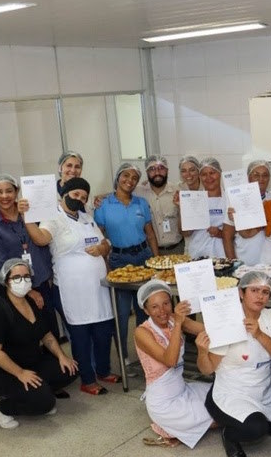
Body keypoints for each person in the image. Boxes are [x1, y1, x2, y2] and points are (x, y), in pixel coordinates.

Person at [21, 177, 117, 396]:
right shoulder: (53, 218)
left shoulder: (87, 218)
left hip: (98, 288)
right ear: (64, 194)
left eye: (83, 196)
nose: (79, 199)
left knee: (103, 332)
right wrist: (26, 218)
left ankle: (103, 371)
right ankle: (88, 379)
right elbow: (41, 239)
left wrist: (102, 249)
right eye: (75, 195)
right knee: (81, 335)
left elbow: (105, 242)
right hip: (72, 289)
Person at [196, 272, 271, 457]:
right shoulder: (228, 321)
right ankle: (229, 435)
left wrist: (259, 334)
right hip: (232, 393)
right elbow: (207, 368)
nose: (260, 297)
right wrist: (202, 352)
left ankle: (266, 419)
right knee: (257, 428)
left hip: (263, 390)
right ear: (240, 293)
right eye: (254, 291)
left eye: (265, 292)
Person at [0, 259, 78, 429]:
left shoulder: (32, 303)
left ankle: (38, 393)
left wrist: (62, 357)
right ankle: (2, 407)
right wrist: (20, 373)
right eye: (17, 277)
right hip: (8, 371)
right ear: (6, 281)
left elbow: (47, 336)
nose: (23, 280)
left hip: (33, 361)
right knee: (45, 403)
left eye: (27, 276)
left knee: (70, 369)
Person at [134, 280, 213, 448]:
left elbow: (206, 329)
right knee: (220, 414)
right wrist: (178, 323)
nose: (162, 311)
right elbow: (170, 360)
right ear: (145, 310)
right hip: (163, 402)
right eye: (154, 307)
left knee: (223, 397)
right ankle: (172, 427)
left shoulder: (172, 318)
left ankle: (179, 429)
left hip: (182, 389)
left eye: (166, 303)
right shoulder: (141, 332)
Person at [94, 163, 158, 368]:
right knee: (121, 312)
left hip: (143, 257)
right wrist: (106, 265)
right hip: (119, 260)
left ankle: (146, 352)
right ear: (118, 177)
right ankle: (123, 357)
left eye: (134, 178)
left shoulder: (141, 203)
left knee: (144, 309)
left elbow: (150, 233)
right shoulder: (103, 205)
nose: (129, 181)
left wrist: (156, 262)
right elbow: (100, 236)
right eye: (125, 176)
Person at [0, 174, 57, 336]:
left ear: (17, 192)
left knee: (51, 331)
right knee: (28, 337)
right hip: (16, 287)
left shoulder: (31, 211)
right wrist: (28, 291)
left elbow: (44, 242)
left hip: (43, 282)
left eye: (9, 191)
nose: (4, 196)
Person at [222, 161, 271, 264]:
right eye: (256, 175)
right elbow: (227, 236)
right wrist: (234, 263)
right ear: (248, 177)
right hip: (244, 260)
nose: (261, 179)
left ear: (269, 178)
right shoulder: (235, 200)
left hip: (270, 262)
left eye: (265, 175)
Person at [137, 155, 183, 255]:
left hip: (177, 250)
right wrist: (101, 199)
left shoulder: (178, 191)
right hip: (150, 252)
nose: (157, 172)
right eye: (152, 169)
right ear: (147, 172)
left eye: (161, 168)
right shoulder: (139, 192)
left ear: (167, 171)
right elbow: (121, 193)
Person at [183, 157, 226, 259]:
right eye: (204, 174)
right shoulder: (193, 200)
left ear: (220, 173)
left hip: (223, 254)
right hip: (198, 254)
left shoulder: (230, 199)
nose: (209, 177)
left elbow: (239, 233)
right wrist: (183, 210)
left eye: (212, 173)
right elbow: (185, 233)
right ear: (199, 177)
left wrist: (220, 233)